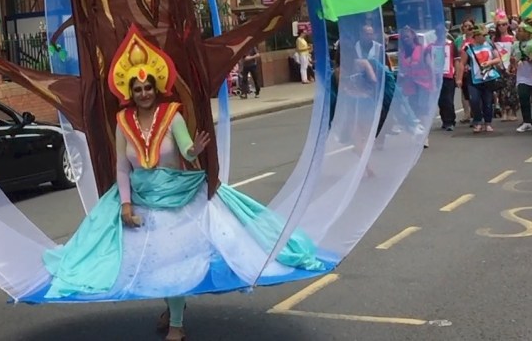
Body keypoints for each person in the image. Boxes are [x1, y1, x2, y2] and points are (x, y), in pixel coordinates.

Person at [39, 26, 325, 338]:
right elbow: (121, 167)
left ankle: (176, 323)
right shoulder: (123, 123)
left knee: (173, 263)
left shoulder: (171, 116)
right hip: (142, 200)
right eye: (138, 89)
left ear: (157, 88)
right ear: (130, 92)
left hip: (177, 200)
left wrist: (195, 150)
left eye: (148, 88)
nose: (144, 93)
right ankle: (173, 308)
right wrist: (125, 204)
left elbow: (186, 148)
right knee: (150, 264)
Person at [459, 28, 504, 133]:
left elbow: (498, 58)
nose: (485, 37)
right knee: (474, 100)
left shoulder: (489, 45)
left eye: (485, 35)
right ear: (476, 36)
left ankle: (488, 122)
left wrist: (489, 63)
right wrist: (459, 78)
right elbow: (462, 63)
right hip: (474, 78)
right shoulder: (468, 48)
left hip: (488, 77)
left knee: (487, 101)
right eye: (483, 36)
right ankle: (477, 121)